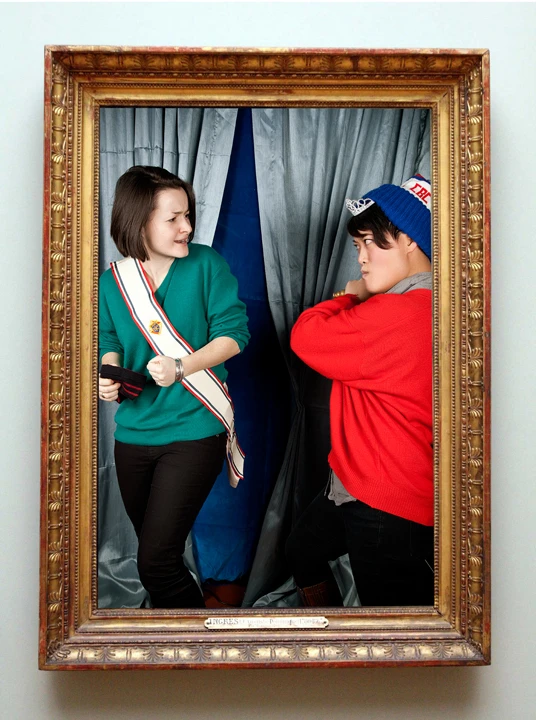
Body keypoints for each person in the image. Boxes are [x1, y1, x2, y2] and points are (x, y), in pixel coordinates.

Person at [98, 165, 250, 609]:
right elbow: (109, 339)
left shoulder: (206, 264)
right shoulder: (113, 281)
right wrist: (109, 373)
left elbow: (234, 335)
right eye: (173, 218)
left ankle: (203, 641)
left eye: (188, 216)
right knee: (158, 555)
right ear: (139, 222)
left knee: (156, 563)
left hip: (195, 430)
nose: (187, 227)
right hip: (133, 435)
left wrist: (182, 367)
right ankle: (177, 636)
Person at [286, 174, 434, 607]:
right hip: (357, 482)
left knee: (390, 626)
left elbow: (305, 336)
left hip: (387, 500)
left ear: (409, 239)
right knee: (302, 551)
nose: (362, 259)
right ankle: (330, 637)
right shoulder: (426, 304)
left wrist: (350, 297)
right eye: (357, 246)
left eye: (370, 242)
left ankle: (343, 646)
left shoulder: (401, 311)